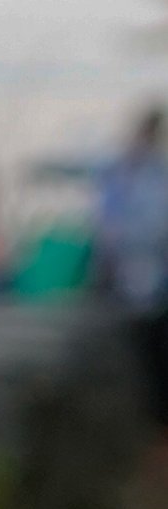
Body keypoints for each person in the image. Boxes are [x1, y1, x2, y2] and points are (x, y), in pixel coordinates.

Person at [93, 100, 168, 424]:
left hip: (147, 281)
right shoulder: (126, 173)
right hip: (135, 280)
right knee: (146, 354)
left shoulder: (149, 174)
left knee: (151, 353)